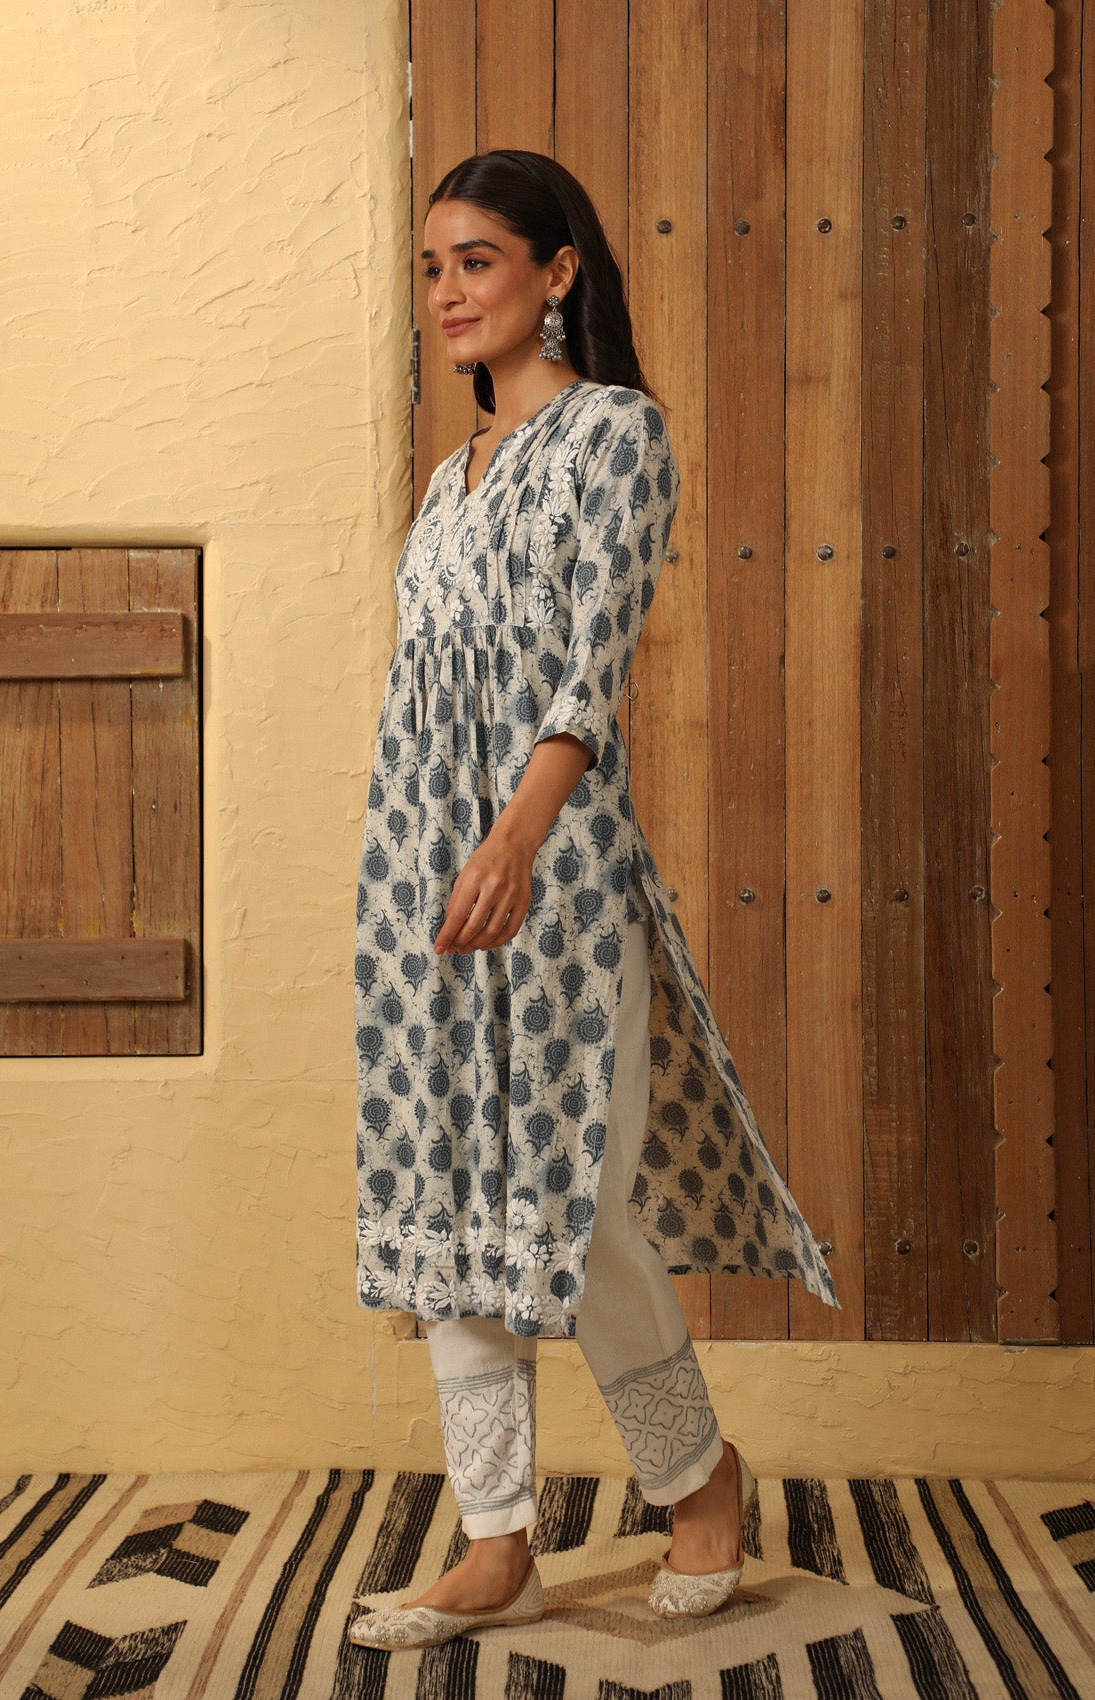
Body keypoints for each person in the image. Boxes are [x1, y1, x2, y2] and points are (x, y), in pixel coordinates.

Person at [350, 149, 840, 1651]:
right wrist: (418, 861)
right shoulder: (449, 482)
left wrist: (517, 836)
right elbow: (423, 693)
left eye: (479, 260)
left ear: (557, 272)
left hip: (552, 871)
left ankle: (697, 1480)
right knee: (444, 1193)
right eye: (434, 267)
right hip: (417, 876)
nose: (449, 292)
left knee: (580, 1196)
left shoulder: (615, 435)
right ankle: (495, 1540)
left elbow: (590, 664)